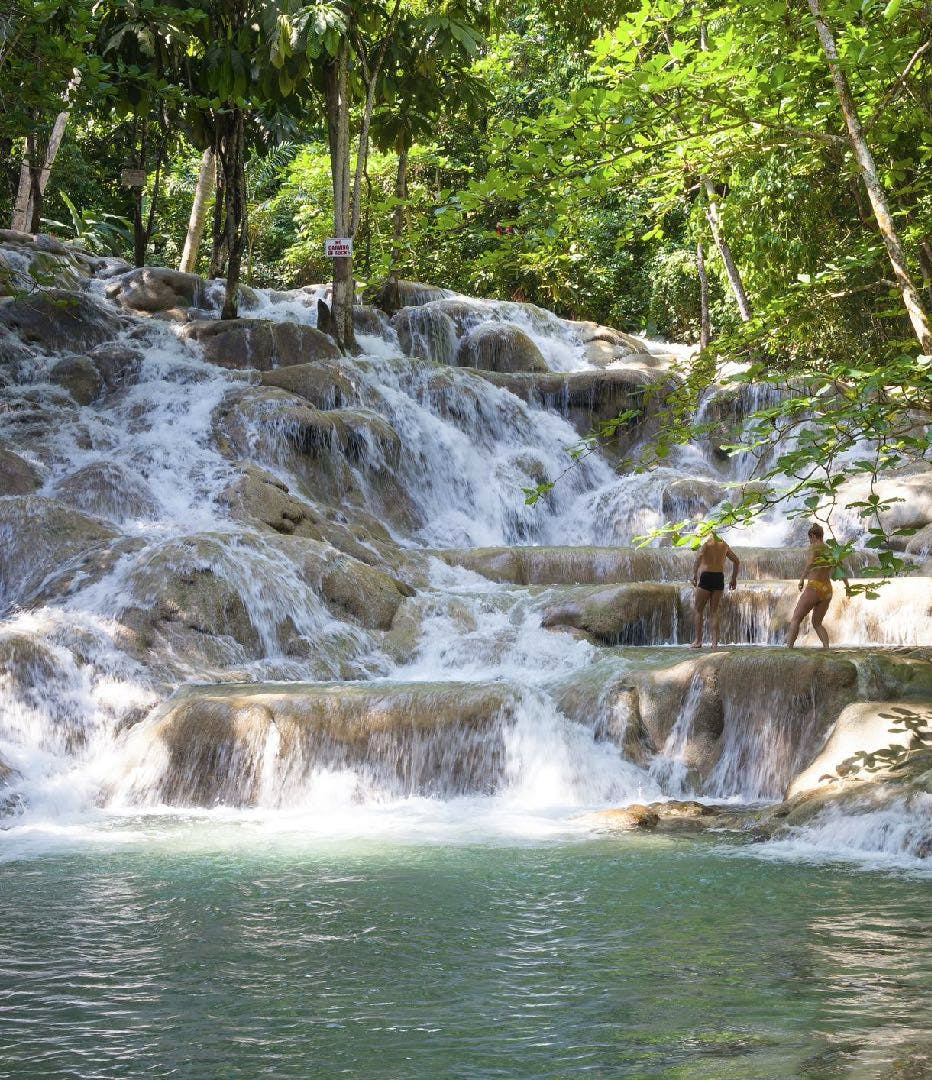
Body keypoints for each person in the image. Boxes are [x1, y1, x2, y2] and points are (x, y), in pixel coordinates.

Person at [786, 523, 851, 649]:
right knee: (817, 623)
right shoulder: (831, 551)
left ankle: (788, 650)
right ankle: (827, 649)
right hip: (827, 591)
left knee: (795, 619)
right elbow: (840, 570)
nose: (809, 541)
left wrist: (802, 579)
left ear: (813, 536)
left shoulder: (815, 547)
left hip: (814, 587)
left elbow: (810, 563)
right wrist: (847, 586)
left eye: (809, 538)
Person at [690, 532, 739, 648]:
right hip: (719, 578)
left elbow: (699, 557)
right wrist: (733, 579)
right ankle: (714, 643)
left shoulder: (706, 543)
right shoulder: (723, 543)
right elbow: (736, 561)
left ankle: (698, 641)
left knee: (698, 609)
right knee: (714, 612)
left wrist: (694, 575)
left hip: (706, 576)